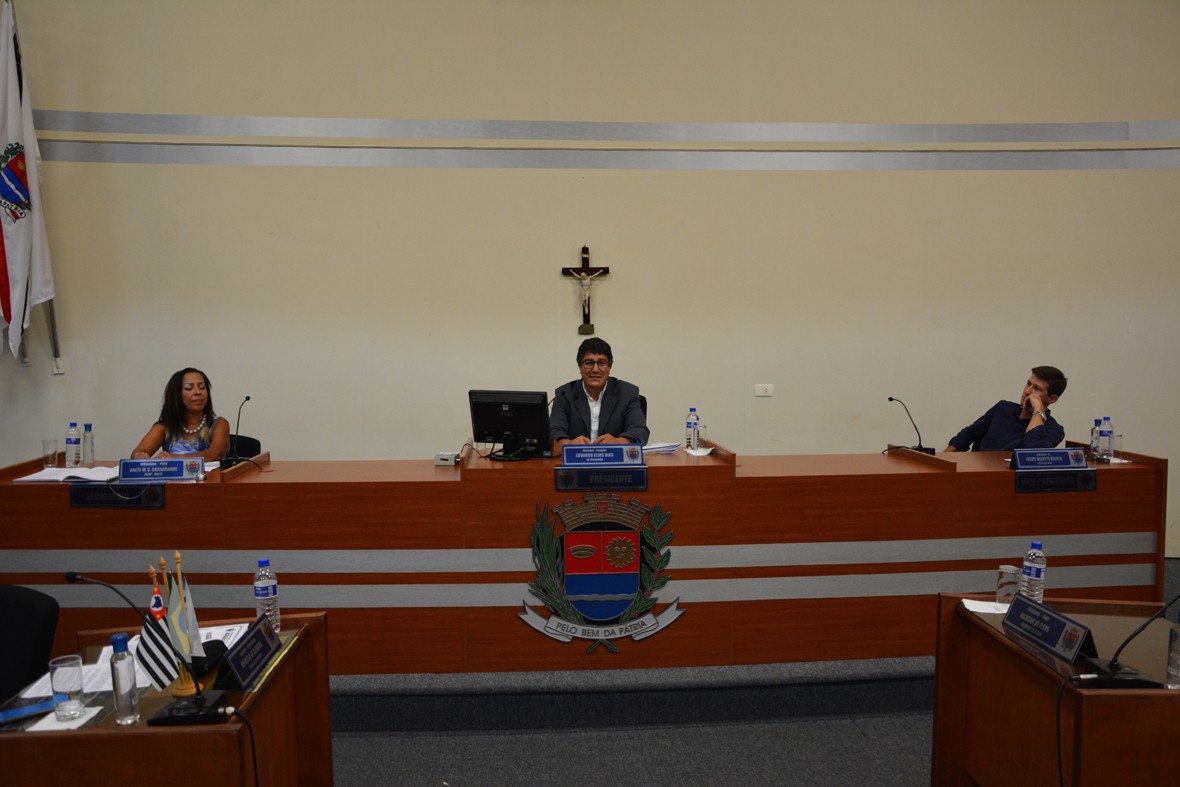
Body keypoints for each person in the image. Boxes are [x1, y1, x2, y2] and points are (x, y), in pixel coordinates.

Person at [550, 337, 649, 451]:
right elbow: (553, 431)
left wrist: (619, 441)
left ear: (610, 366)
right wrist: (568, 443)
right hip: (577, 459)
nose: (595, 370)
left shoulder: (627, 393)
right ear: (579, 366)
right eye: (589, 363)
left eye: (601, 363)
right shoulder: (564, 394)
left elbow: (640, 431)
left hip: (614, 459)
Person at [945, 366, 1067, 452]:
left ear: (1052, 399)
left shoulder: (1053, 430)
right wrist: (943, 459)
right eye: (1028, 384)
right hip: (978, 472)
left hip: (1009, 479)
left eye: (1036, 389)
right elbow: (969, 433)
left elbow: (1032, 454)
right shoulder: (1002, 408)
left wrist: (1038, 410)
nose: (1027, 391)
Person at [131, 367, 230, 461]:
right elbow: (139, 451)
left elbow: (216, 454)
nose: (198, 392)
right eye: (189, 388)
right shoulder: (165, 426)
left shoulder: (219, 423)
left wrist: (175, 458)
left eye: (202, 387)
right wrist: (140, 455)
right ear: (176, 395)